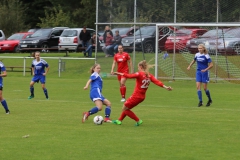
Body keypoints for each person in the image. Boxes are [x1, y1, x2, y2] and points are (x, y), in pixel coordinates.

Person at [112, 60, 172, 126]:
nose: (138, 68)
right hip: (142, 97)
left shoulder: (139, 74)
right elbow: (157, 82)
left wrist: (119, 73)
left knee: (124, 108)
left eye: (138, 67)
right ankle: (119, 120)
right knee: (127, 108)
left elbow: (129, 76)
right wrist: (165, 87)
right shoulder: (149, 75)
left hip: (136, 96)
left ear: (140, 67)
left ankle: (138, 120)